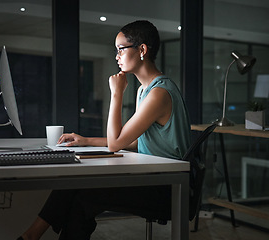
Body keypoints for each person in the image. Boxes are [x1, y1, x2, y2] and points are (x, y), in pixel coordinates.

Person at [18, 20, 191, 240]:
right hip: (152, 176)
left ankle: (29, 237)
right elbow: (138, 142)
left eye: (120, 49)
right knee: (74, 183)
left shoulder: (158, 94)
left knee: (84, 198)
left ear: (142, 50)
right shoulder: (144, 90)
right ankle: (30, 236)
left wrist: (116, 93)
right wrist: (85, 141)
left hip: (168, 187)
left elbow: (115, 143)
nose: (116, 56)